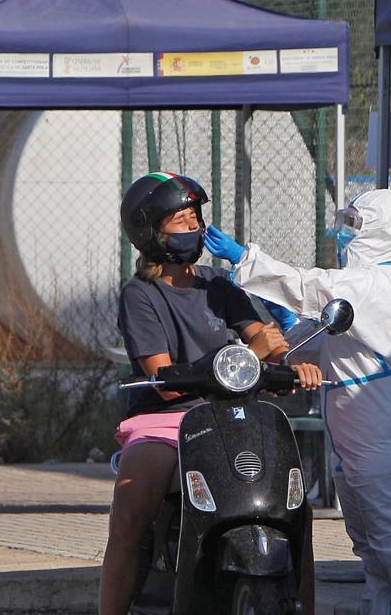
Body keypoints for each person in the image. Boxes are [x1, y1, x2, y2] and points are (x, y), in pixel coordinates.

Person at [205, 188, 391, 615]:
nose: (344, 233)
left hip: (386, 433)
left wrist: (245, 258)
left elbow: (310, 285)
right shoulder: (360, 288)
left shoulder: (375, 283)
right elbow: (318, 347)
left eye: (355, 224)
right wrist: (289, 323)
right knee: (375, 553)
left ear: (380, 231)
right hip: (362, 434)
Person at [101, 171, 321, 615]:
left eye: (195, 217)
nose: (193, 227)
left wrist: (292, 367)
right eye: (180, 220)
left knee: (297, 512)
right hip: (164, 421)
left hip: (235, 412)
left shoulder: (219, 285)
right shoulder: (140, 294)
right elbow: (161, 376)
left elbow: (267, 342)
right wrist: (251, 352)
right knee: (130, 511)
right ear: (150, 232)